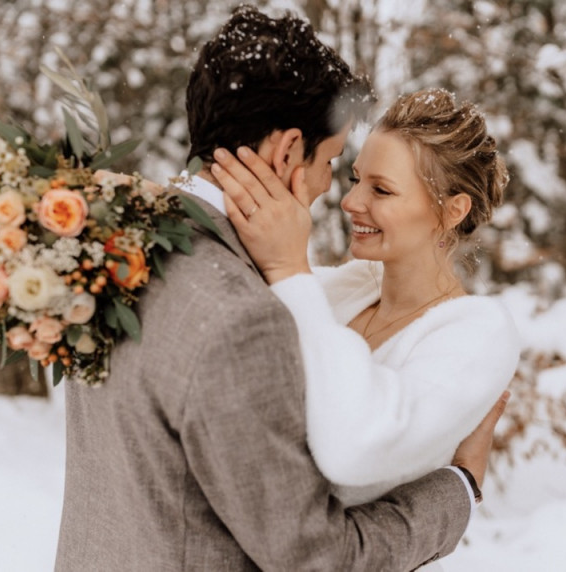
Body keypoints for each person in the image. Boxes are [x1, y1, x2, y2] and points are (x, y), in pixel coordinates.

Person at [55, 7, 507, 571]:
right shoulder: (247, 313)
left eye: (381, 188)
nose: (340, 196)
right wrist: (461, 486)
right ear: (288, 151)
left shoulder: (110, 249)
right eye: (338, 166)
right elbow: (313, 557)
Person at [212, 88, 521, 568]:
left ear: (452, 210)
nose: (351, 201)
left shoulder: (477, 332)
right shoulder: (347, 287)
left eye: (382, 190)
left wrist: (291, 266)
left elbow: (352, 449)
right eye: (356, 179)